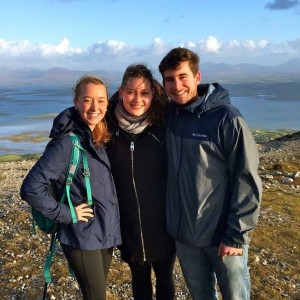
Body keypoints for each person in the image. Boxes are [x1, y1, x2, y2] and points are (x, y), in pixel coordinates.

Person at [158, 47, 262, 300]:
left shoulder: (226, 119)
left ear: (197, 76)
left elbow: (246, 179)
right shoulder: (170, 115)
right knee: (201, 296)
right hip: (185, 237)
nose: (176, 85)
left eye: (183, 77)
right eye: (169, 79)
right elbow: (128, 103)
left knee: (235, 296)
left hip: (222, 236)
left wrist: (236, 235)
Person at [20, 75, 122, 300]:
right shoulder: (66, 143)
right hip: (82, 234)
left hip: (104, 231)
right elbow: (31, 188)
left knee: (95, 293)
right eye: (87, 100)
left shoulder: (98, 135)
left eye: (101, 100)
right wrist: (66, 214)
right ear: (76, 102)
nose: (95, 107)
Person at [105, 64, 176, 300]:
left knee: (165, 278)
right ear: (121, 91)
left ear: (153, 94)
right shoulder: (106, 127)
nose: (137, 99)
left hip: (163, 223)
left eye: (144, 93)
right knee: (139, 279)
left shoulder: (165, 124)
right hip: (129, 224)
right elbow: (79, 115)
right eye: (131, 92)